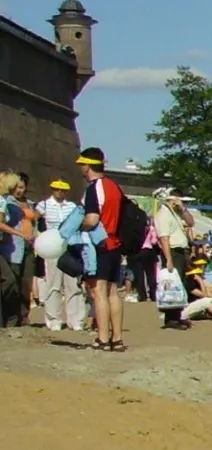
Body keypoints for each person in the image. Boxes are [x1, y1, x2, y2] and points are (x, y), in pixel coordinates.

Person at [77, 147, 128, 350]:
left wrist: (78, 227)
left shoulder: (93, 188)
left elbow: (92, 219)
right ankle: (117, 338)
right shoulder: (114, 186)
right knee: (113, 292)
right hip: (116, 243)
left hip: (100, 244)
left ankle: (103, 338)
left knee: (98, 292)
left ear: (87, 166)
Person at [35, 178, 87, 332]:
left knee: (73, 285)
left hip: (70, 247)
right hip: (52, 247)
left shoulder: (72, 206)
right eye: (57, 189)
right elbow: (33, 219)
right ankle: (54, 319)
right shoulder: (44, 205)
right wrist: (39, 237)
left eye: (63, 190)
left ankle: (76, 320)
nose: (60, 192)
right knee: (53, 285)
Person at [0, 171, 36, 327]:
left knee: (24, 283)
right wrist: (19, 234)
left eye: (21, 187)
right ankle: (10, 318)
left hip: (26, 246)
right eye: (16, 186)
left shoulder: (29, 203)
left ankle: (21, 317)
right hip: (11, 246)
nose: (18, 190)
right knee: (11, 281)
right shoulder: (6, 202)